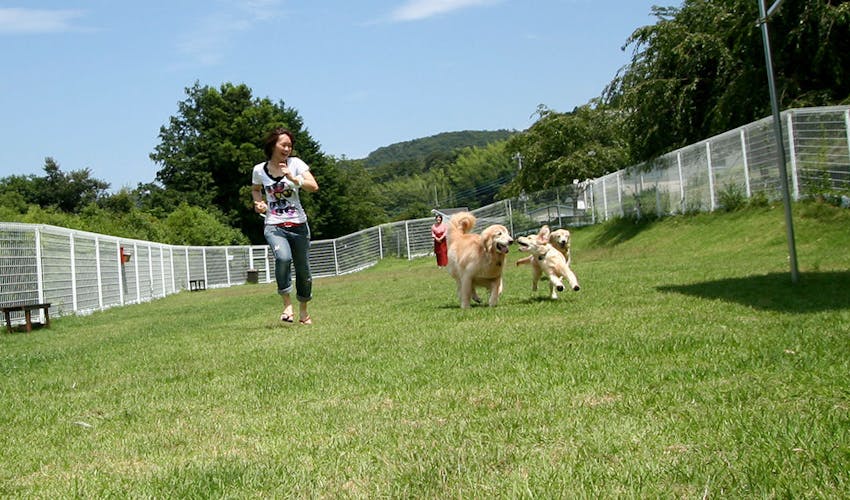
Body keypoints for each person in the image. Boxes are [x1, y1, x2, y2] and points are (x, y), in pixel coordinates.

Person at [252, 128, 319, 325]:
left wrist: (292, 178)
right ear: (273, 145)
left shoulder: (296, 164)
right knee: (283, 258)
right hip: (274, 225)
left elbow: (313, 186)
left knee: (303, 269)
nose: (287, 148)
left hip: (299, 225)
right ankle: (287, 305)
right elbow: (256, 190)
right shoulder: (259, 170)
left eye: (290, 145)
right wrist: (259, 204)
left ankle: (304, 312)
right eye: (284, 145)